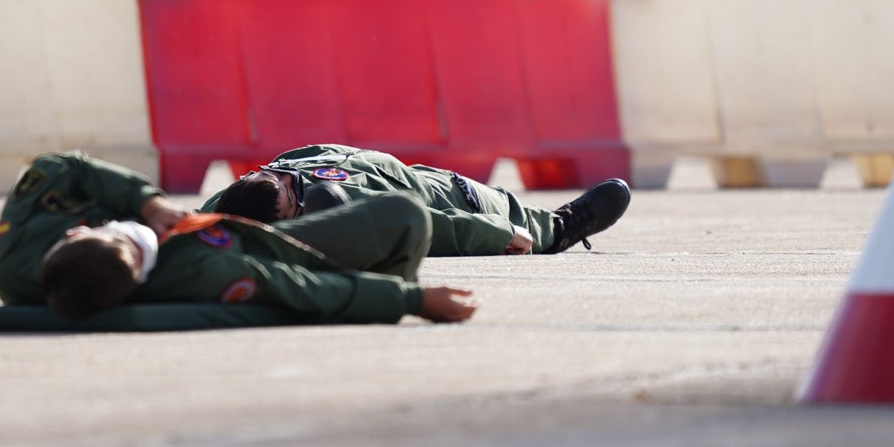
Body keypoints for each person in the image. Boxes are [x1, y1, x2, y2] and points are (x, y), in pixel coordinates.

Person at [0, 151, 478, 324]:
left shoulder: (20, 249)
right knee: (404, 214)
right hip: (261, 248)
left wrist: (148, 203)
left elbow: (62, 166)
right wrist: (410, 300)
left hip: (225, 233)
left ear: (75, 232)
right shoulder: (198, 269)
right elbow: (300, 286)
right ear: (145, 271)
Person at [201, 143, 631, 256]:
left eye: (281, 182)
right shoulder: (328, 206)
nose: (295, 185)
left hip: (420, 174)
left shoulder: (257, 184)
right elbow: (430, 225)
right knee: (519, 222)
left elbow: (195, 221)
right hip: (455, 203)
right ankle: (558, 229)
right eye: (294, 205)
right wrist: (499, 232)